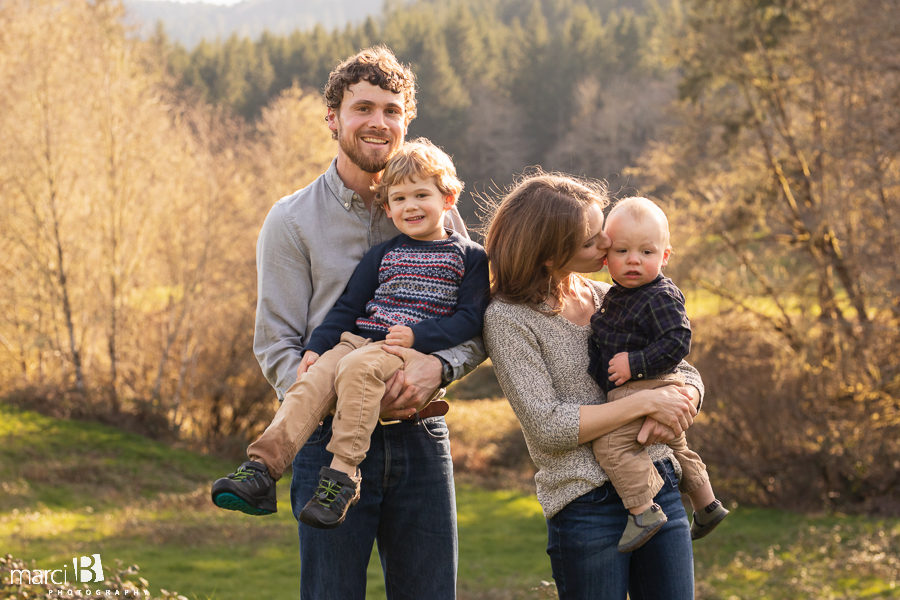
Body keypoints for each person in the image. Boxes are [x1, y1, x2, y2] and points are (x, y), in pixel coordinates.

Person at [234, 46, 483, 599]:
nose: (378, 122)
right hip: (324, 439)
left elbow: (476, 320)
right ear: (333, 119)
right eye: (362, 108)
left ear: (406, 120)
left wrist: (437, 369)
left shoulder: (440, 211)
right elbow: (275, 343)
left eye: (391, 110)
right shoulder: (292, 220)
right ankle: (260, 470)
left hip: (420, 434)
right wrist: (327, 391)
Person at [211, 139, 489, 532]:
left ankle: (342, 476)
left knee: (358, 369)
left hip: (398, 349)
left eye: (422, 195)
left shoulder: (470, 256)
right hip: (356, 340)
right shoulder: (383, 254)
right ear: (387, 208)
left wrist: (418, 338)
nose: (411, 206)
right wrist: (315, 350)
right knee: (310, 384)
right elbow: (347, 307)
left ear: (448, 198)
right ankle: (261, 468)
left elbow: (471, 319)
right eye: (399, 198)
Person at [482, 172, 703, 599]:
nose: (608, 244)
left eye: (600, 229)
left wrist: (687, 397)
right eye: (591, 241)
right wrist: (648, 403)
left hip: (659, 482)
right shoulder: (509, 320)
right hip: (586, 504)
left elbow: (684, 369)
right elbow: (548, 426)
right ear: (549, 255)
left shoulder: (612, 294)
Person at [586, 196, 728, 553]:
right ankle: (707, 504)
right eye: (623, 251)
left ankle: (643, 510)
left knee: (611, 444)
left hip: (647, 383)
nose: (634, 260)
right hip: (643, 387)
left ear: (664, 256)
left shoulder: (660, 295)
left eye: (646, 252)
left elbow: (678, 341)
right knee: (676, 444)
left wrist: (635, 363)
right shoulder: (618, 295)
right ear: (606, 257)